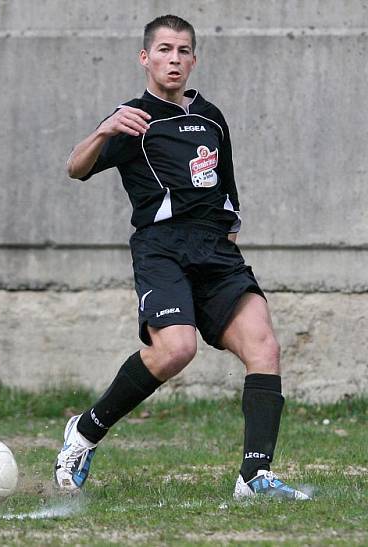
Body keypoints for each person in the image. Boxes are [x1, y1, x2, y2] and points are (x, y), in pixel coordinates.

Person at [53, 14, 309, 500]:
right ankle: (84, 432)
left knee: (265, 348)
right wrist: (104, 131)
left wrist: (229, 233)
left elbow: (225, 184)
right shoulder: (132, 119)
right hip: (162, 248)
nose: (175, 59)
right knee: (176, 349)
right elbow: (74, 167)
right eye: (165, 50)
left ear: (194, 59)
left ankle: (255, 478)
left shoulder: (211, 116)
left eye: (183, 50)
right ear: (145, 58)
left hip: (214, 249)